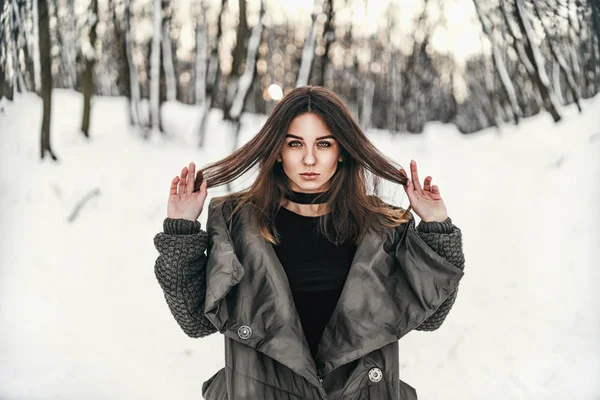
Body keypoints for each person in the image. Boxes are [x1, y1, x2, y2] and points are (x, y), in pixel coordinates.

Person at [153, 86, 465, 400]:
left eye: (324, 144)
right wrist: (182, 229)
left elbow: (431, 317)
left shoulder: (383, 227)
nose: (309, 158)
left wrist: (436, 227)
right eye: (295, 143)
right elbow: (195, 322)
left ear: (341, 150)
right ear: (277, 150)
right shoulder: (236, 222)